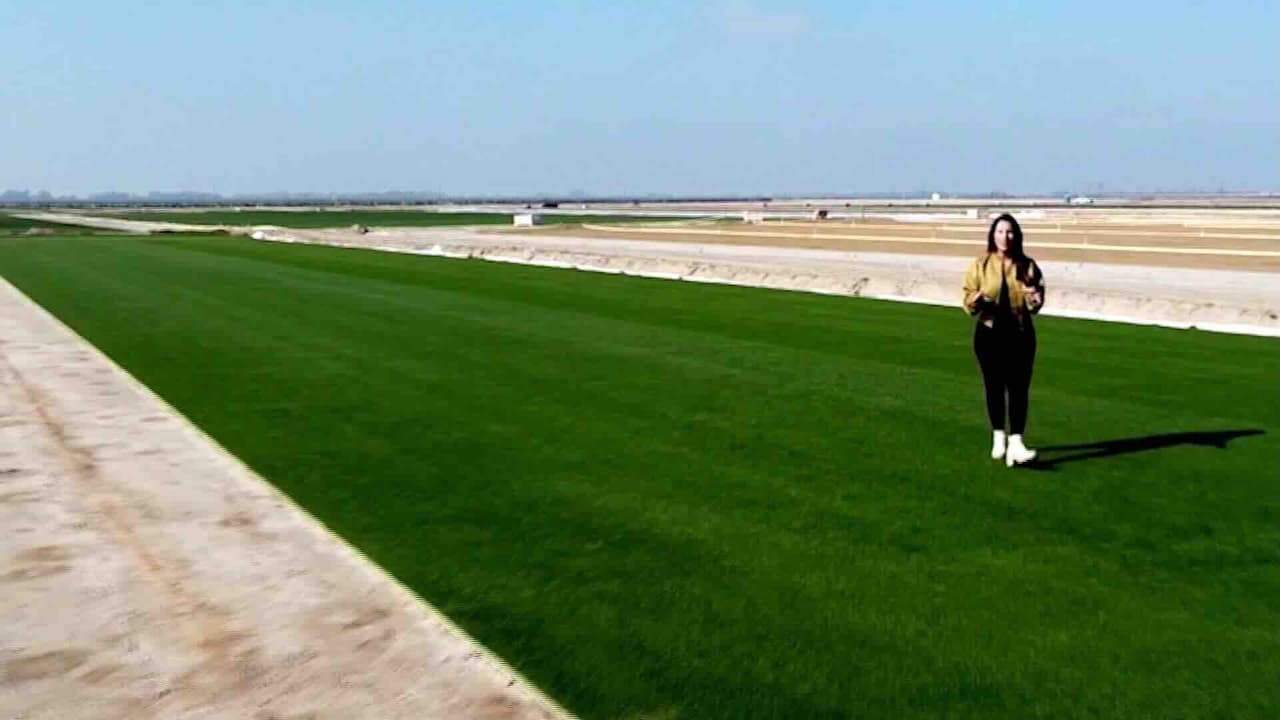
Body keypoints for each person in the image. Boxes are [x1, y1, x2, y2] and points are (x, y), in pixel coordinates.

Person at [962, 213, 1046, 466]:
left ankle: (1017, 442)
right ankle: (999, 434)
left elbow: (1036, 299)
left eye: (1009, 232)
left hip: (1020, 333)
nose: (1005, 237)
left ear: (1016, 236)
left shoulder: (1027, 265)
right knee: (994, 386)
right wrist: (975, 300)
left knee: (1019, 388)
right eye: (1000, 232)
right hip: (989, 334)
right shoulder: (981, 264)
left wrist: (1036, 299)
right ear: (992, 235)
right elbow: (967, 298)